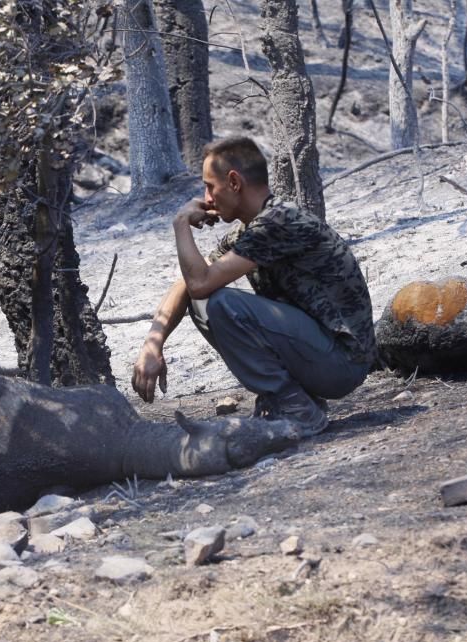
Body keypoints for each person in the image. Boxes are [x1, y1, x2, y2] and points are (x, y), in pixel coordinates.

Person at [131, 136, 376, 437]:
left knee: (220, 302)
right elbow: (187, 285)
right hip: (320, 356)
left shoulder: (279, 221)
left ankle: (294, 408)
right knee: (201, 302)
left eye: (210, 186)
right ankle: (291, 399)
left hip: (343, 363)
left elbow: (199, 282)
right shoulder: (251, 229)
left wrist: (181, 223)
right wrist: (152, 344)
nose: (206, 199)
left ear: (234, 182)